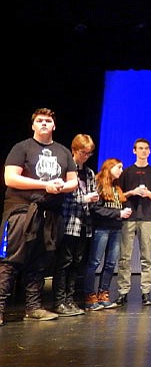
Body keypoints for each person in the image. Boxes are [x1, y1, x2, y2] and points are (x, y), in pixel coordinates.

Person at [0, 108, 78, 326]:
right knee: (11, 260)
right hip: (21, 211)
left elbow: (73, 181)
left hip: (49, 213)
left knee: (39, 262)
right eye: (40, 121)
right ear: (33, 125)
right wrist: (45, 184)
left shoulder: (63, 152)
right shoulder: (22, 147)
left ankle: (33, 307)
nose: (44, 123)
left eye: (48, 121)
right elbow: (10, 178)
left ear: (54, 126)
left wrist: (62, 187)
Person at [115, 138, 151, 307]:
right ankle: (122, 292)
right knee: (125, 257)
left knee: (147, 257)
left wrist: (148, 193)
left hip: (147, 218)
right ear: (134, 151)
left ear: (149, 152)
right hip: (129, 217)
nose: (143, 151)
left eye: (146, 148)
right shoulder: (126, 172)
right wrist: (132, 192)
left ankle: (146, 292)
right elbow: (119, 196)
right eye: (140, 148)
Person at [52, 134, 97, 317]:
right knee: (64, 262)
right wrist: (82, 199)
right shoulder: (65, 169)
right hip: (68, 221)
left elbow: (92, 194)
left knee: (77, 263)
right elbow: (61, 195)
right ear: (74, 150)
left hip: (84, 224)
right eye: (83, 152)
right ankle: (59, 301)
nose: (85, 156)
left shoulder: (89, 173)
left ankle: (70, 300)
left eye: (89, 153)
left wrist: (93, 199)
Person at [85, 158, 132, 310]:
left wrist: (124, 212)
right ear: (110, 167)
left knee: (111, 263)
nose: (121, 170)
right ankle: (89, 296)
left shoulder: (116, 187)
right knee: (94, 262)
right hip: (102, 228)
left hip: (116, 228)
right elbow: (96, 208)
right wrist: (118, 213)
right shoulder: (98, 183)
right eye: (119, 167)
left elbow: (119, 205)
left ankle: (103, 293)